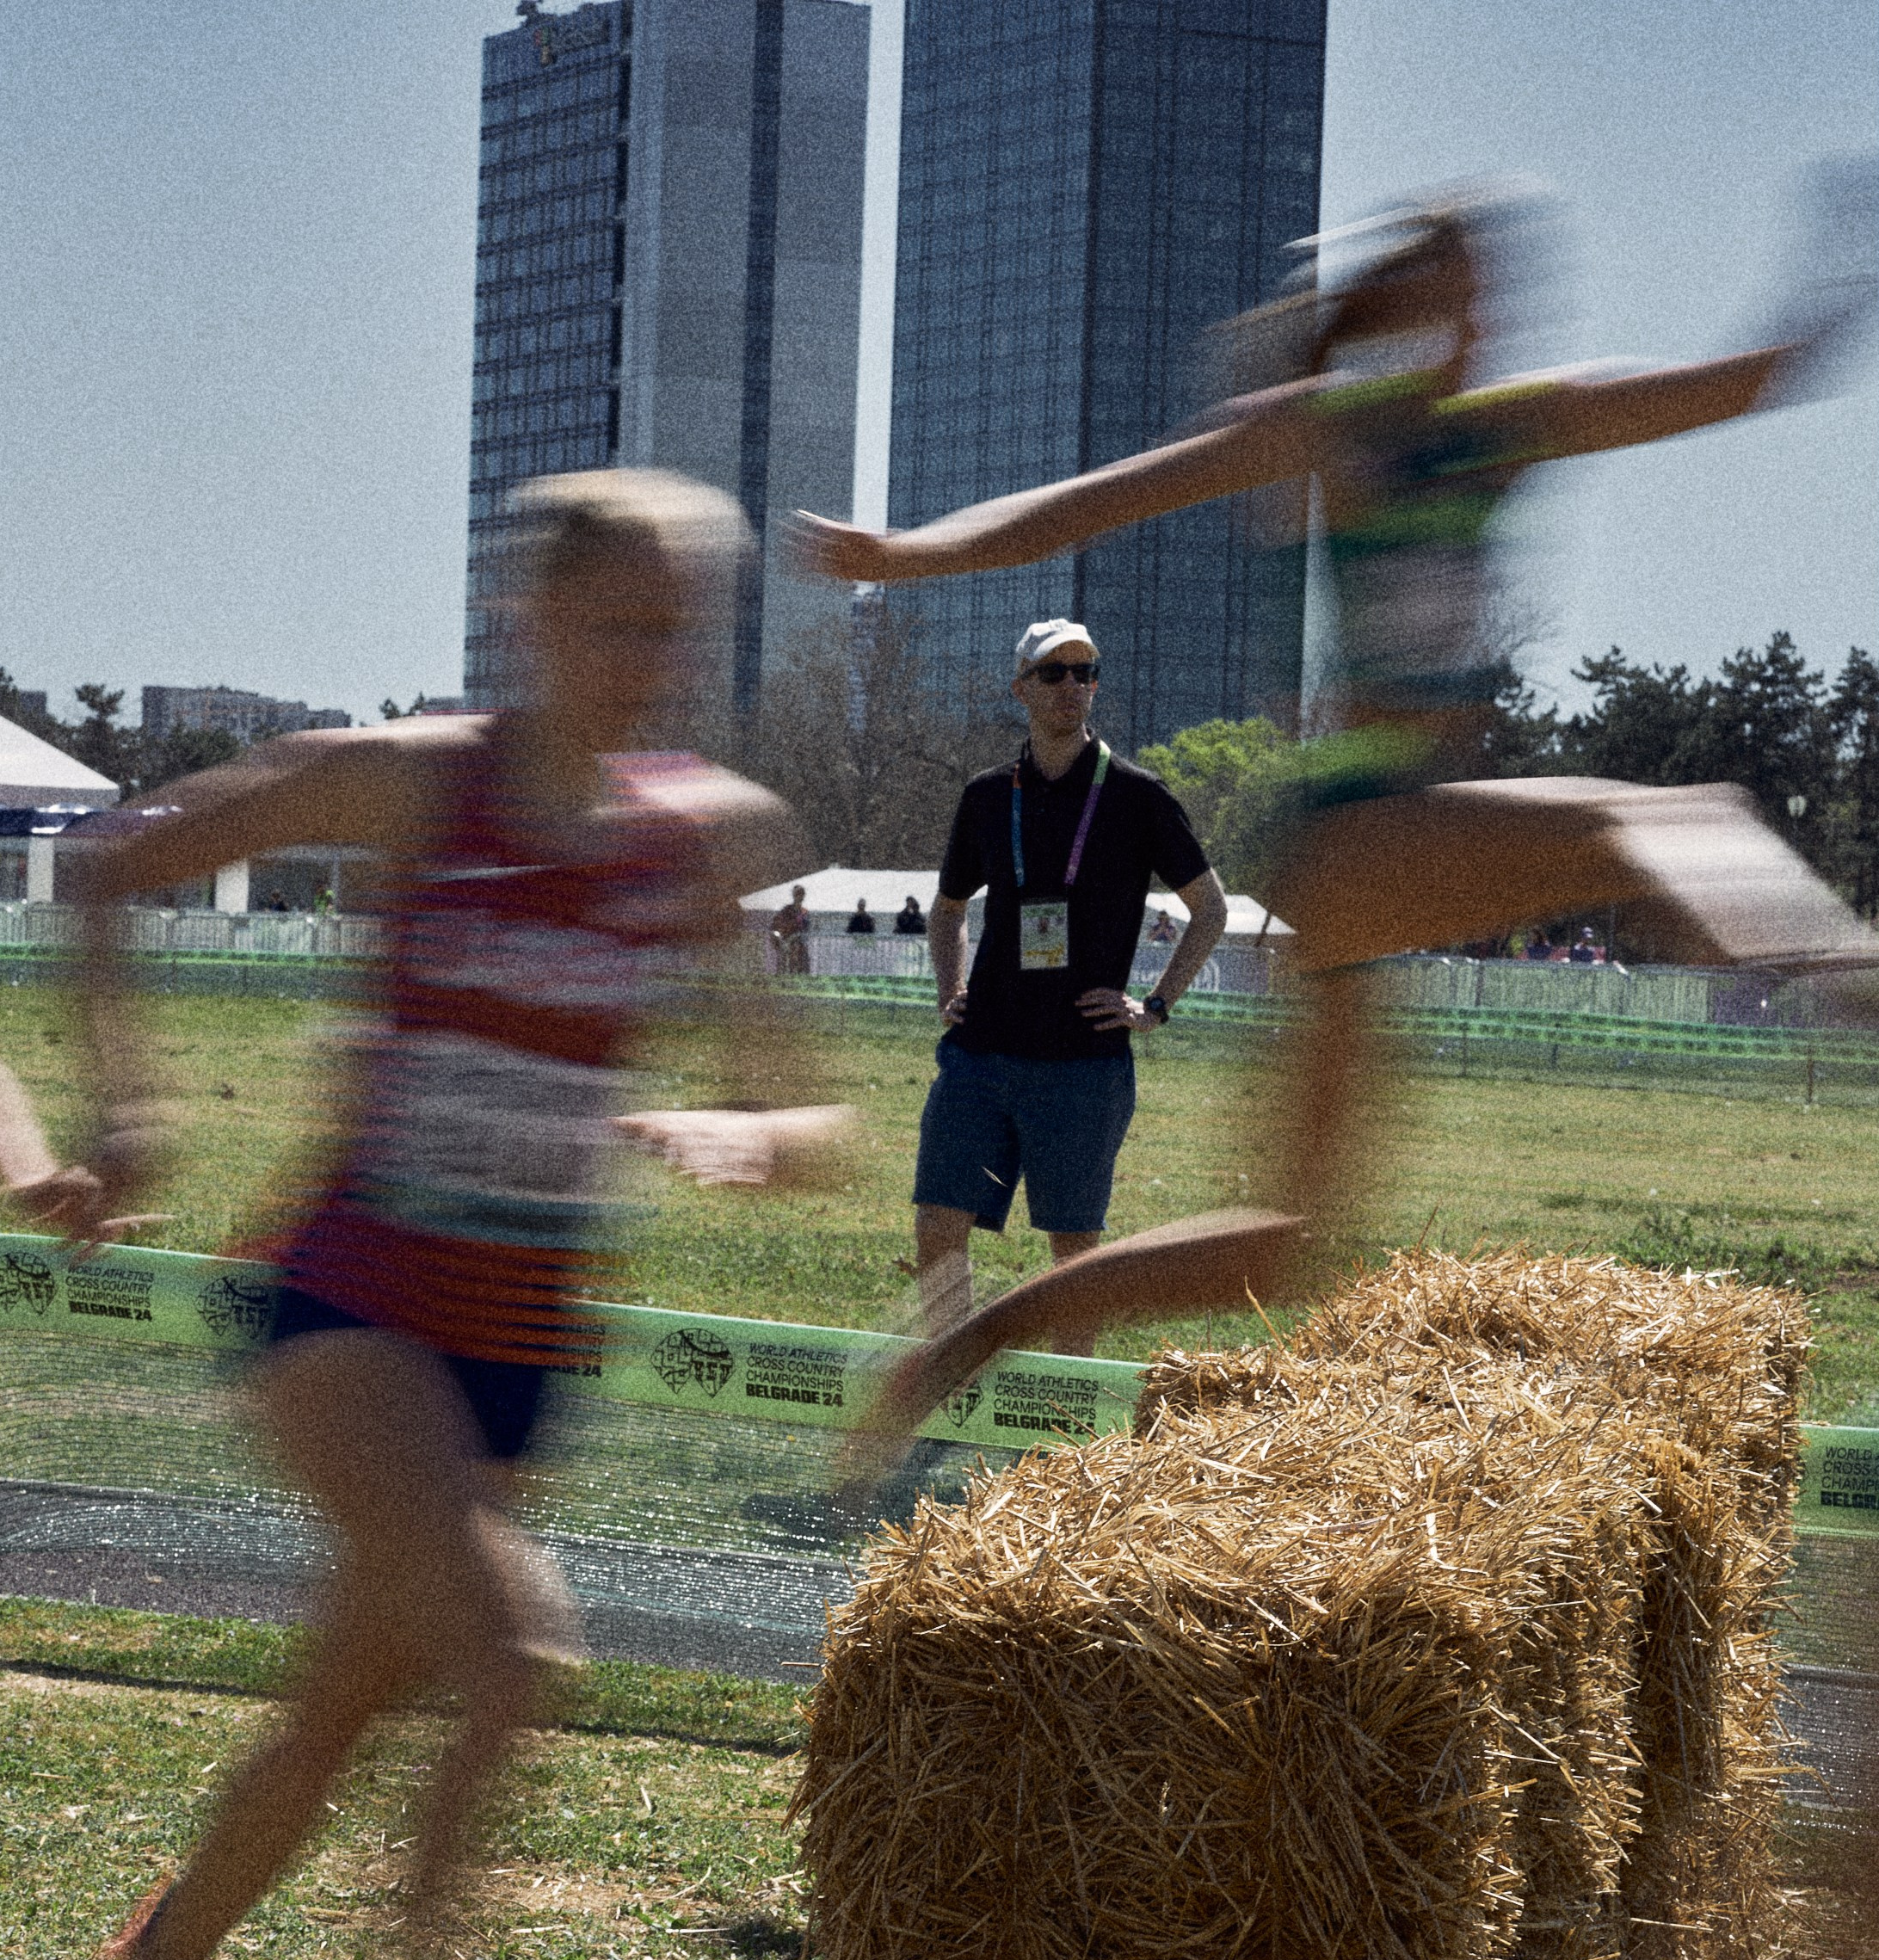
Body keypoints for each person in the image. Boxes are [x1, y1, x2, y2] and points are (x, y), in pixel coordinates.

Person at [71, 466, 840, 1960]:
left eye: (673, 628)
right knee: (513, 1660)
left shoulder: (705, 832)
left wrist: (746, 1134)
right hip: (345, 1310)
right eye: (612, 620)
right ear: (529, 614)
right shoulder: (420, 785)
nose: (645, 657)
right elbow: (111, 863)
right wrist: (125, 1115)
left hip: (513, 1364)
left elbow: (814, 1119)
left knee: (341, 1712)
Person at [795, 184, 1876, 1256]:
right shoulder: (1328, 432)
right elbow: (1083, 505)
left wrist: (1833, 296)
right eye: (1461, 299)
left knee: (1281, 1246)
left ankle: (945, 1361)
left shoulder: (1506, 429)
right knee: (1663, 822)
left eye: (1498, 299)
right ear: (1406, 312)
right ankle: (1846, 977)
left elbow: (1729, 388)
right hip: (1350, 828)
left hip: (1409, 837)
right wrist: (905, 554)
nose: (1488, 326)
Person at [908, 619, 1228, 1355]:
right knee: (937, 1222)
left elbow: (1208, 909)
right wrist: (948, 987)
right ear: (1021, 688)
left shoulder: (1137, 795)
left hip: (1084, 1063)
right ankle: (949, 1381)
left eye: (1084, 673)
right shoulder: (990, 795)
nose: (1071, 687)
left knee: (1074, 1246)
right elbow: (949, 908)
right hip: (980, 1053)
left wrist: (1154, 1006)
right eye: (1053, 674)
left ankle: (1063, 1412)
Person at [770, 882, 810, 976]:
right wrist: (781, 941)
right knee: (783, 969)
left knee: (800, 969)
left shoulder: (804, 913)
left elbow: (804, 931)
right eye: (797, 894)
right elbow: (775, 928)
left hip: (799, 946)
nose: (799, 896)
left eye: (801, 894)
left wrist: (796, 938)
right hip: (785, 944)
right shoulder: (785, 911)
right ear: (794, 895)